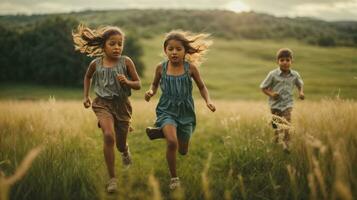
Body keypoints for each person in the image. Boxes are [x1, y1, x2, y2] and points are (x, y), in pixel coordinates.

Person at [72, 24, 141, 193]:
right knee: (108, 136)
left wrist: (127, 82)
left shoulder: (126, 62)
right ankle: (112, 179)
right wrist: (86, 96)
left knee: (120, 144)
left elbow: (138, 84)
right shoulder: (96, 64)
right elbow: (88, 77)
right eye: (112, 43)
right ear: (104, 45)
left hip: (122, 105)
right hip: (102, 104)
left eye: (120, 43)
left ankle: (125, 151)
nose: (117, 47)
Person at [144, 30, 216, 189]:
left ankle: (163, 132)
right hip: (166, 110)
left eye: (178, 49)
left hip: (186, 112)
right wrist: (151, 92)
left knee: (183, 150)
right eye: (170, 49)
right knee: (172, 142)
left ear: (185, 51)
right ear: (165, 51)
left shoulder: (190, 68)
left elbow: (202, 87)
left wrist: (208, 101)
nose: (174, 52)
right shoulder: (160, 68)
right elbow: (154, 84)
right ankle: (174, 178)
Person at [260, 48, 304, 153]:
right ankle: (276, 139)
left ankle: (286, 145)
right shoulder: (272, 74)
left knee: (287, 123)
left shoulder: (295, 75)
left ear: (291, 61)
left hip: (288, 104)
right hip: (274, 105)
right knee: (277, 127)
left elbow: (300, 84)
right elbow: (263, 87)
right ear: (277, 61)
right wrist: (271, 94)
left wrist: (301, 92)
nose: (285, 62)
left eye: (287, 60)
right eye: (282, 60)